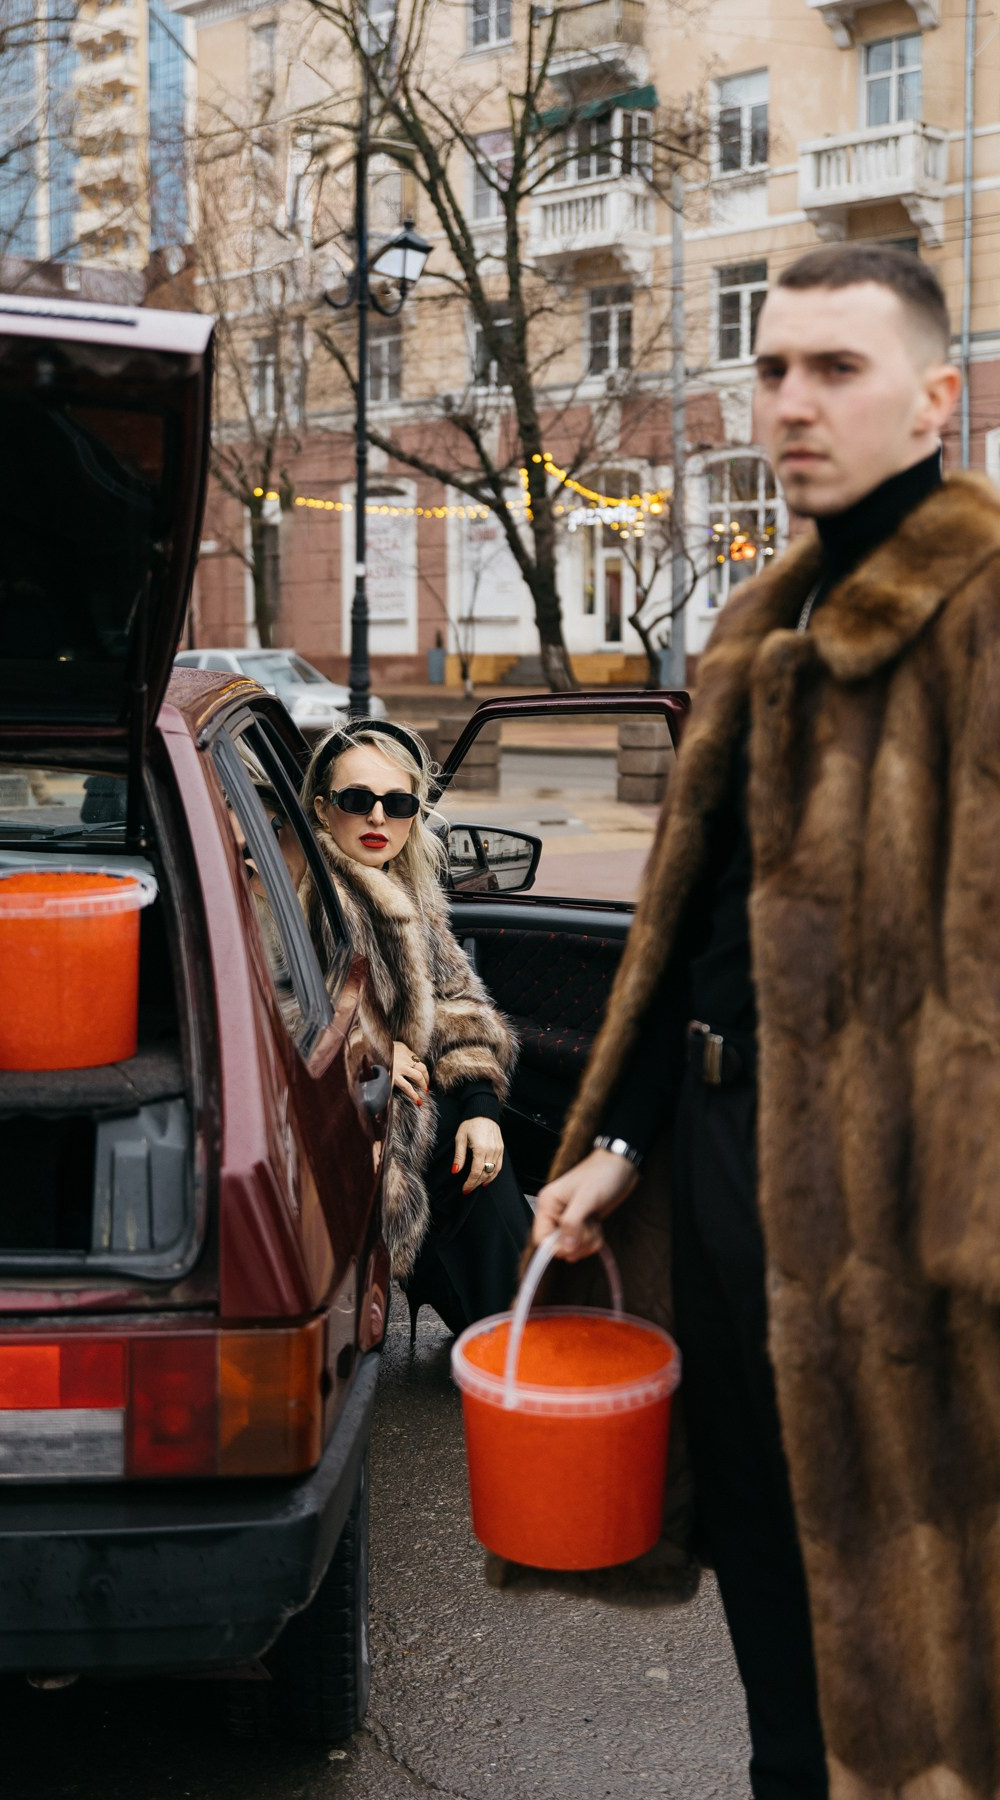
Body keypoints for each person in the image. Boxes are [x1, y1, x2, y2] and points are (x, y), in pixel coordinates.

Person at [531, 243, 1000, 1800]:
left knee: (930, 1657)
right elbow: (691, 937)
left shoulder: (983, 621)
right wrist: (619, 1137)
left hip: (907, 1230)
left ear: (936, 399)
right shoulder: (754, 627)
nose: (793, 402)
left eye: (838, 369)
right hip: (730, 1188)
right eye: (773, 366)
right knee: (777, 1599)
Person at [300, 718, 529, 1337]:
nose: (378, 817)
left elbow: (457, 1000)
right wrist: (369, 1048)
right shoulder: (302, 891)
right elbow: (278, 1006)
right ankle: (515, 1334)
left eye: (398, 804)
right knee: (454, 1149)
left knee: (477, 1137)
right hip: (348, 1117)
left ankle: (522, 1325)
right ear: (322, 808)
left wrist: (483, 1107)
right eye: (357, 800)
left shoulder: (409, 891)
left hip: (409, 1102)